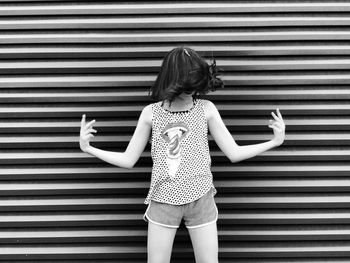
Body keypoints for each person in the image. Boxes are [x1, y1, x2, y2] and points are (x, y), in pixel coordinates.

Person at [79, 46, 285, 263]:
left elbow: (233, 152)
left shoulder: (206, 109)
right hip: (163, 200)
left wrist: (274, 142)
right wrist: (89, 148)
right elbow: (129, 159)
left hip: (201, 198)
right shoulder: (151, 113)